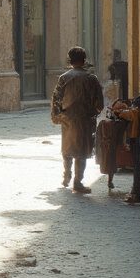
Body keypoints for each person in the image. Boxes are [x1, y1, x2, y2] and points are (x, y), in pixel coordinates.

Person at [51, 46, 105, 193]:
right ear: (84, 60)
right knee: (81, 152)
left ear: (70, 60)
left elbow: (56, 99)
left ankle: (66, 175)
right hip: (85, 119)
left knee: (67, 148)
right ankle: (77, 182)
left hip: (67, 119)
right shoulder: (91, 78)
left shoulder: (64, 77)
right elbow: (99, 103)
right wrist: (93, 112)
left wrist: (57, 116)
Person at [111, 60, 140, 211]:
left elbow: (136, 114)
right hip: (139, 137)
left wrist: (123, 112)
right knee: (137, 165)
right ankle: (136, 192)